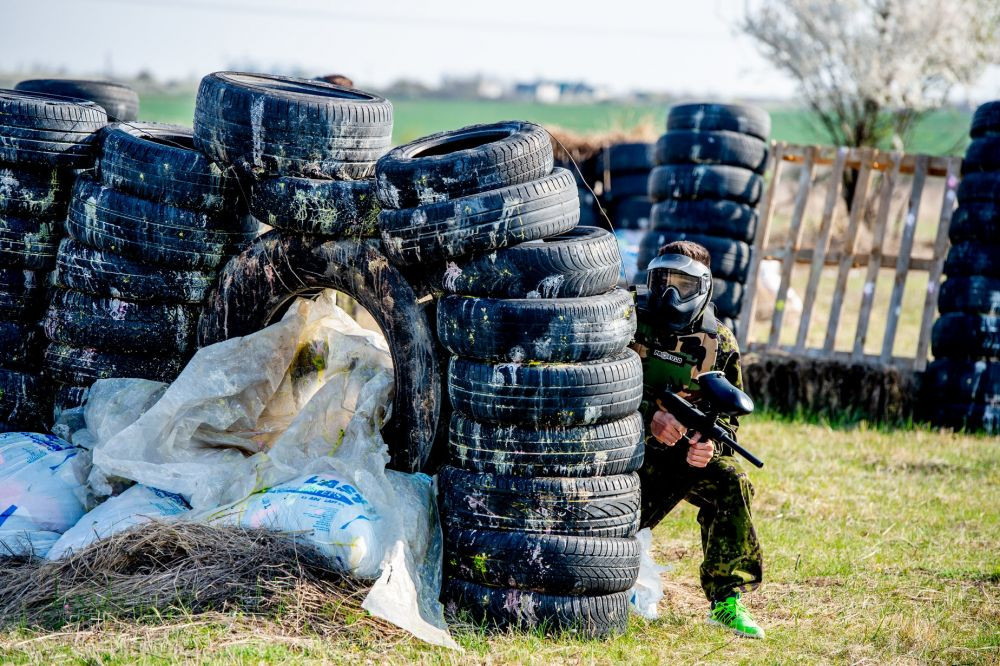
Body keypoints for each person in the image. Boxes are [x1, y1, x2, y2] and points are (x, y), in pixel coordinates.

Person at [631, 240, 765, 639]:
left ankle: (726, 600)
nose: (670, 295)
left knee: (732, 482)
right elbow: (594, 390)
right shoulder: (628, 321)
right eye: (663, 282)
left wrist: (707, 448)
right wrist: (649, 419)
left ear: (704, 289)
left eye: (683, 286)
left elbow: (728, 421)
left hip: (682, 459)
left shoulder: (719, 343)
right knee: (608, 533)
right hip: (625, 454)